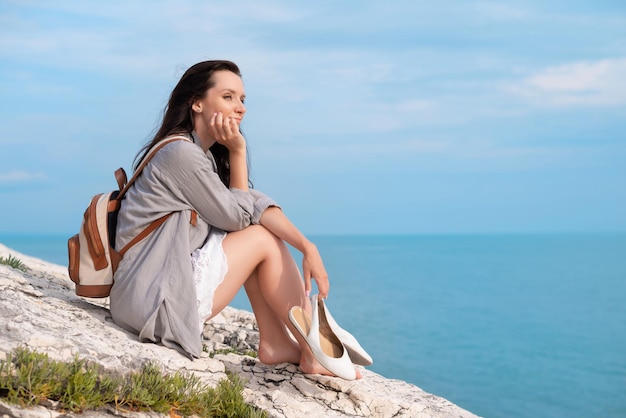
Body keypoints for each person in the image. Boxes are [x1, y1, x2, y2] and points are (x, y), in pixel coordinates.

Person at [110, 60, 362, 379]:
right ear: (197, 103)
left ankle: (276, 343)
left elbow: (244, 207)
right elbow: (237, 219)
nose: (240, 108)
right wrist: (238, 152)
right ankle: (313, 345)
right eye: (228, 97)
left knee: (259, 235)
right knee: (260, 239)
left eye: (242, 99)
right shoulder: (181, 155)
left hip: (142, 295)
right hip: (152, 305)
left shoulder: (194, 153)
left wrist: (306, 246)